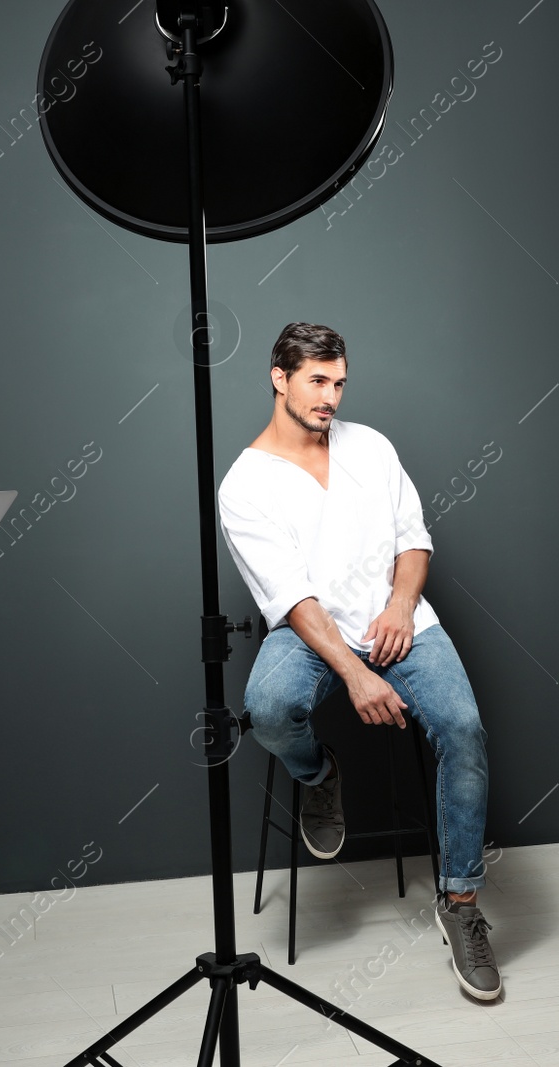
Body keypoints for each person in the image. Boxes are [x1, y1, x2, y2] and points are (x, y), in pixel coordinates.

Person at [218, 322, 499, 1001]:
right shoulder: (244, 485)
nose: (330, 396)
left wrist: (402, 605)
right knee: (270, 709)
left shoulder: (369, 445)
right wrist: (354, 670)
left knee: (463, 729)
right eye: (317, 380)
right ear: (278, 377)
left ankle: (459, 904)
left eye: (339, 382)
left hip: (396, 620)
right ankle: (320, 773)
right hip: (309, 629)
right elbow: (296, 597)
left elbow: (413, 539)